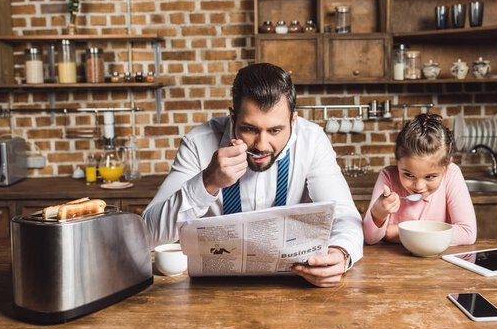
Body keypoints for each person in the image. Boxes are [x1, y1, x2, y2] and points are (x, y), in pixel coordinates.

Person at [143, 62, 363, 287]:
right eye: (249, 129)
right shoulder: (198, 143)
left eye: (275, 130)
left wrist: (340, 253)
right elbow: (148, 234)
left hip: (293, 287)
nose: (261, 145)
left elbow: (346, 216)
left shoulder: (312, 140)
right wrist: (206, 183)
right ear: (232, 116)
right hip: (210, 291)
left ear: (293, 121)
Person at [363, 113, 476, 246]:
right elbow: (370, 239)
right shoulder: (387, 177)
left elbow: (468, 233)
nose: (419, 186)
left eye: (430, 176)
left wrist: (402, 233)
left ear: (446, 167)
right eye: (409, 175)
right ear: (398, 162)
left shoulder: (451, 174)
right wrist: (378, 213)